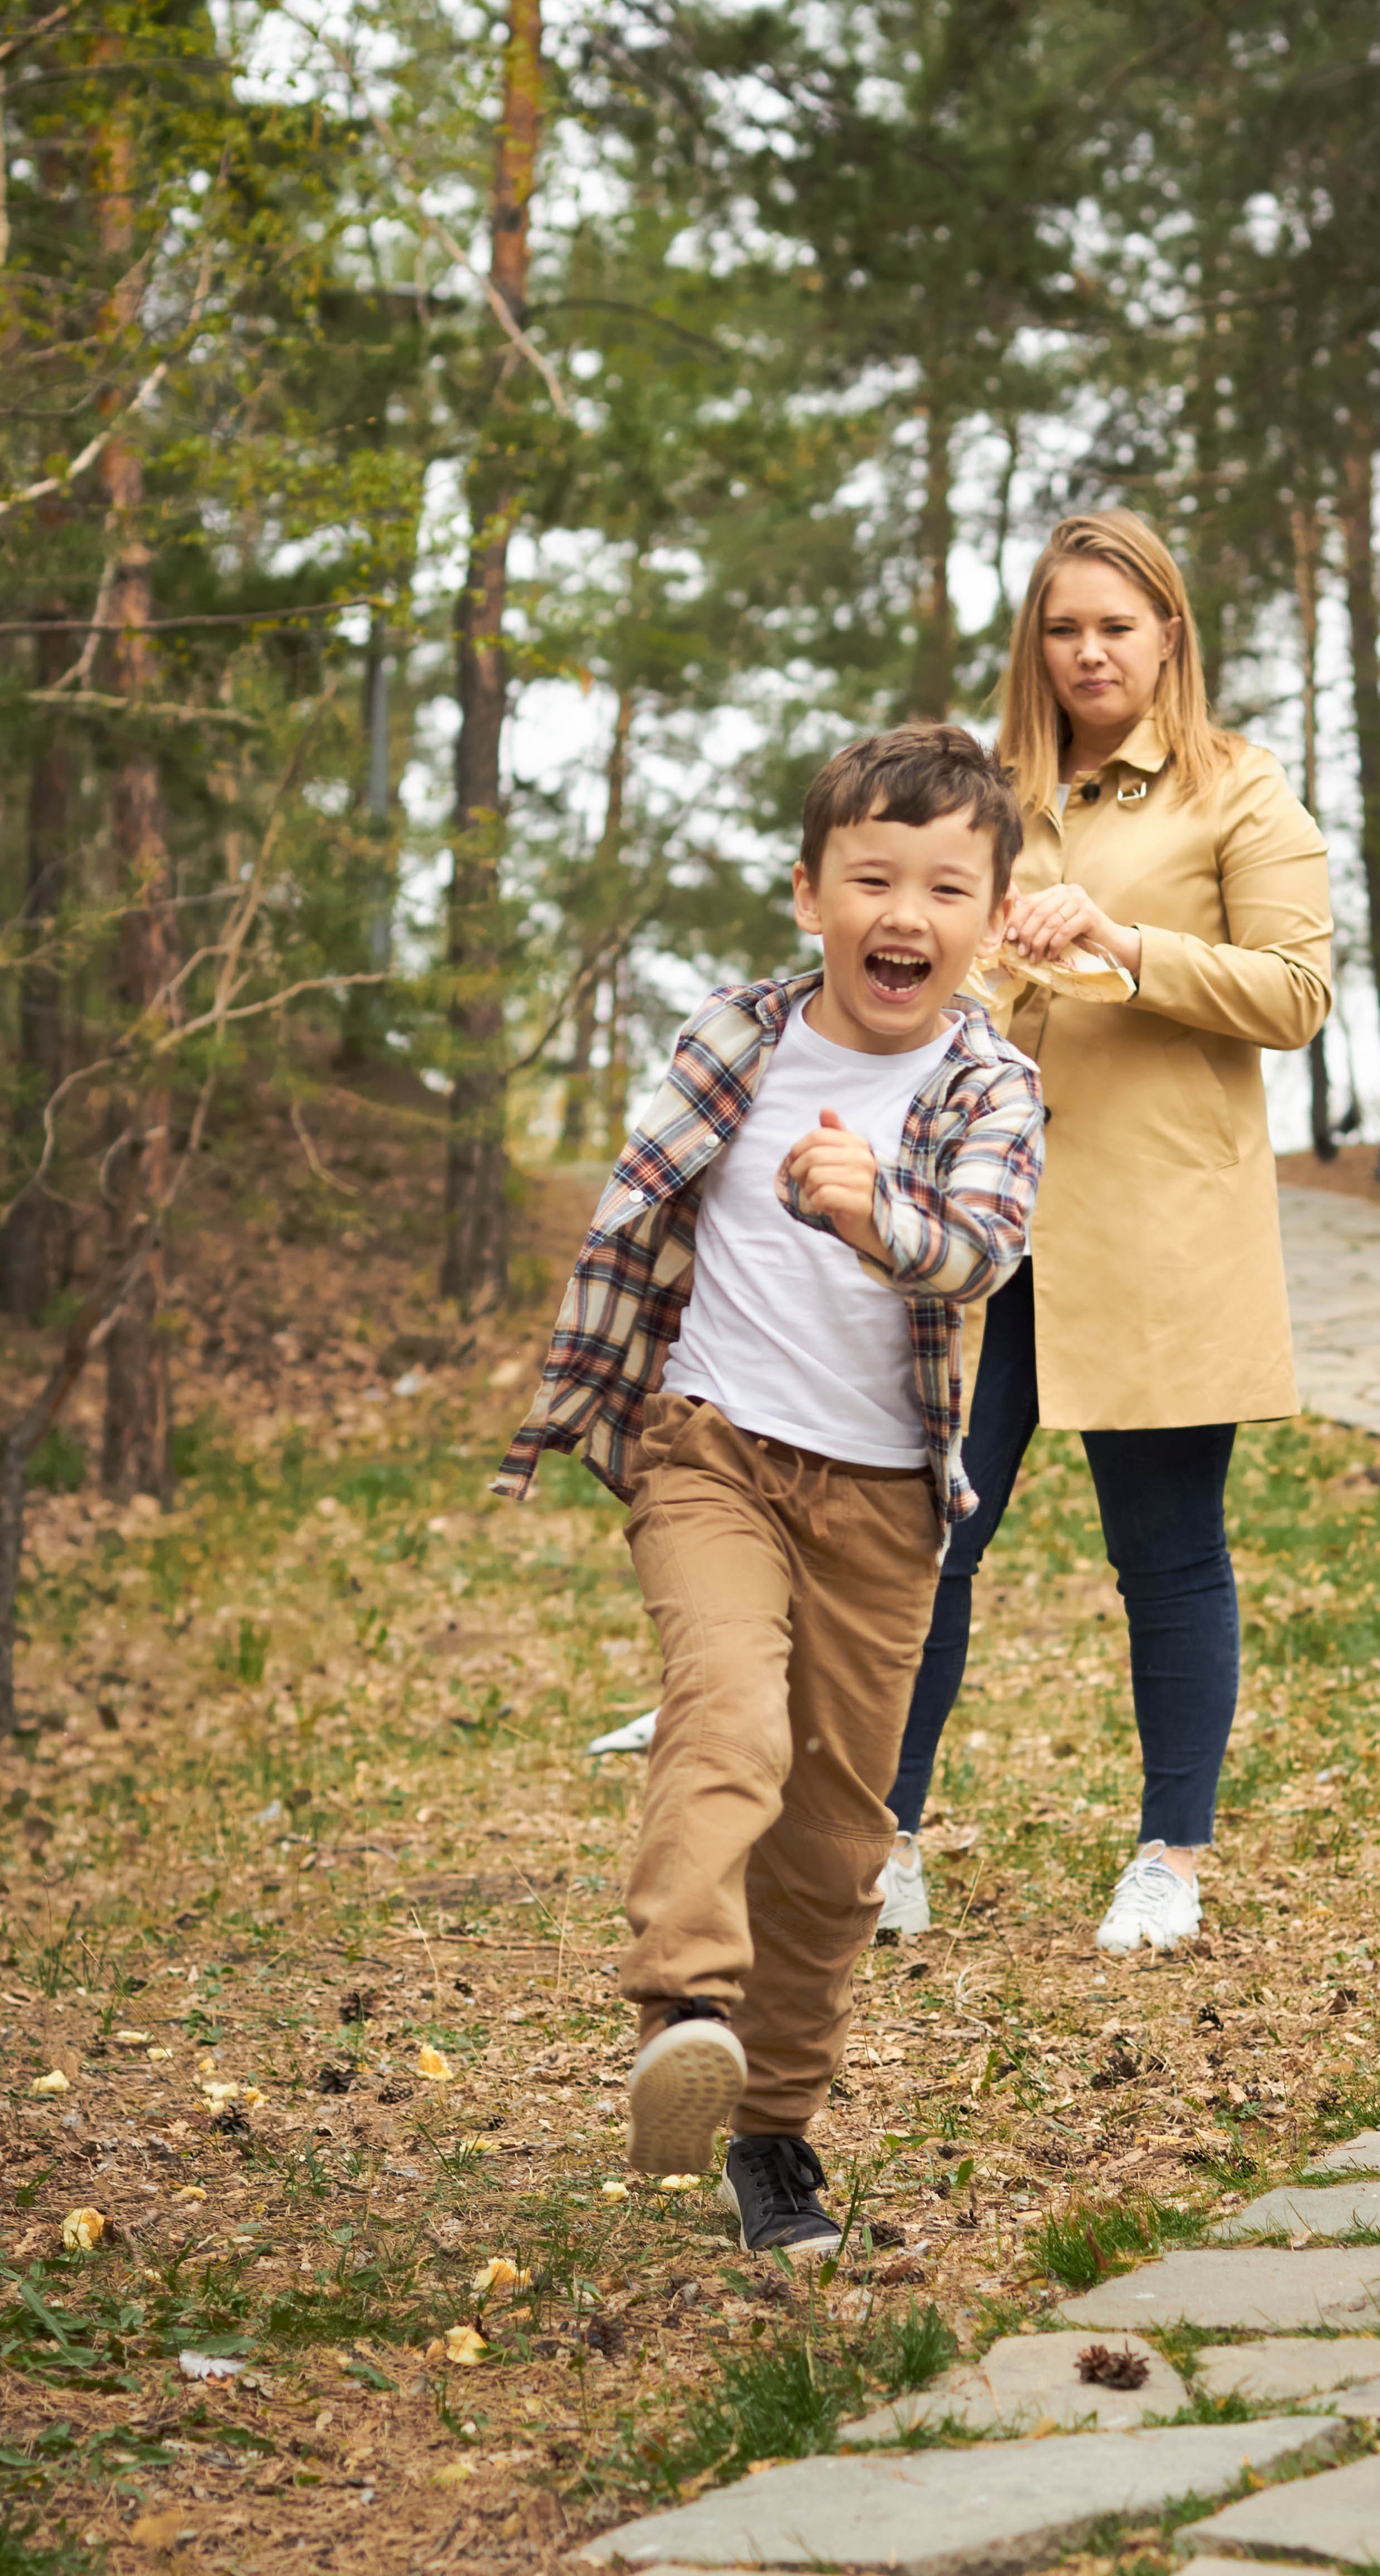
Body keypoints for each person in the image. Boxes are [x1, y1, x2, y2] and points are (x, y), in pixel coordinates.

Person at [491, 724, 1042, 2256]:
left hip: (883, 1504)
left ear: (993, 921)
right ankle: (681, 2011)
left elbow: (980, 1250)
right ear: (810, 895)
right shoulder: (731, 1039)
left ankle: (774, 2131)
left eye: (946, 889)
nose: (905, 914)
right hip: (710, 1450)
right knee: (725, 1709)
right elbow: (636, 1217)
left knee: (836, 1845)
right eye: (871, 879)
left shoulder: (992, 1085)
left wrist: (875, 1213)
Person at [875, 509, 1332, 1956]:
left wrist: (1120, 945)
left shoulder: (1236, 789)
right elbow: (901, 967)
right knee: (923, 1538)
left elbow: (1295, 993)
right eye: (1063, 627)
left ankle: (1169, 1858)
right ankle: (880, 1842)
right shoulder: (980, 793)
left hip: (1155, 1228)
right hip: (978, 1228)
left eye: (1115, 627)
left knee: (1167, 1551)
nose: (1088, 652)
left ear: (1167, 637)